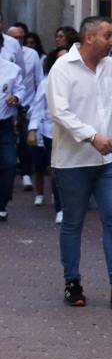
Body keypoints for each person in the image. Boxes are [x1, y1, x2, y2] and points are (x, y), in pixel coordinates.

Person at [47, 15, 112, 309]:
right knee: (73, 222)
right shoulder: (63, 68)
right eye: (108, 35)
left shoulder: (111, 67)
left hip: (109, 160)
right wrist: (92, 137)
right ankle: (72, 282)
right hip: (73, 160)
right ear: (89, 37)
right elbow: (59, 112)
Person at [26, 47, 65, 219]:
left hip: (77, 133)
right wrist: (32, 130)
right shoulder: (46, 82)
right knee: (55, 169)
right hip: (52, 132)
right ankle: (60, 208)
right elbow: (37, 108)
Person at [7, 23, 43, 192]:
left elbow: (38, 81)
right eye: (14, 37)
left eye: (21, 37)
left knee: (24, 141)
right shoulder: (5, 54)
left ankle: (26, 174)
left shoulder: (32, 54)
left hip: (26, 106)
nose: (18, 40)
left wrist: (35, 106)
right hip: (5, 107)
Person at [0, 33, 22, 221]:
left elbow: (21, 89)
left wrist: (16, 98)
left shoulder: (12, 70)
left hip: (4, 125)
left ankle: (2, 202)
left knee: (8, 163)